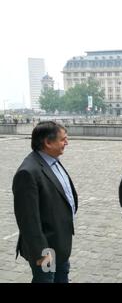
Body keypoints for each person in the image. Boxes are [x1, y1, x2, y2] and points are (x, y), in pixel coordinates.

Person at [12, 121, 78, 283]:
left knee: (61, 278)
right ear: (48, 143)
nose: (66, 143)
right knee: (46, 280)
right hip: (46, 249)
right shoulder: (28, 172)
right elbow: (28, 220)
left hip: (60, 243)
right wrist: (42, 252)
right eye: (63, 139)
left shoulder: (51, 160)